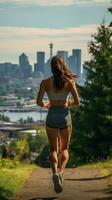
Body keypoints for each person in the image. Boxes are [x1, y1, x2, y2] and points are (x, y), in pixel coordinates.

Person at [36, 55, 80, 193]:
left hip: (51, 117)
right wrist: (68, 103)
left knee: (53, 150)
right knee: (64, 150)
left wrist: (46, 105)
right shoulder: (70, 82)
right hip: (65, 117)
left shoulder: (45, 82)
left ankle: (54, 173)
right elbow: (77, 102)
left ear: (52, 67)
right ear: (63, 66)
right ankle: (61, 172)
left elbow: (38, 102)